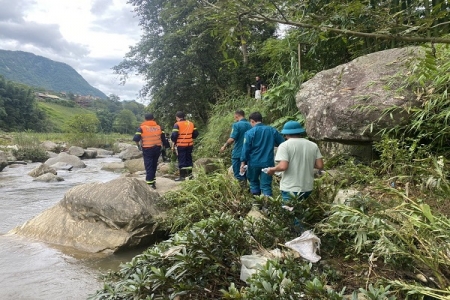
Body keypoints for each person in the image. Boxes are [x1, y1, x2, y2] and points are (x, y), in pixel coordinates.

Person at [266, 121, 323, 229]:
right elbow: (320, 165)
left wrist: (272, 169)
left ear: (286, 134)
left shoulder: (284, 145)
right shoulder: (312, 145)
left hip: (290, 188)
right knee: (300, 213)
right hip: (307, 187)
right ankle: (302, 235)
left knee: (291, 216)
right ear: (300, 132)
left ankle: (298, 238)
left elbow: (283, 166)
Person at [240, 112, 285, 197]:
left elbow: (245, 149)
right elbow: (283, 144)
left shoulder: (249, 133)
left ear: (252, 121)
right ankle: (267, 206)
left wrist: (243, 163)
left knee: (253, 182)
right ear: (262, 120)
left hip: (253, 163)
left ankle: (256, 205)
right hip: (267, 163)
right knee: (266, 185)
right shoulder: (272, 130)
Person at [133, 113, 166, 189]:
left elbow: (136, 139)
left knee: (149, 165)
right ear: (153, 119)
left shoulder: (141, 128)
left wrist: (138, 146)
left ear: (145, 119)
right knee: (154, 164)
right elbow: (163, 139)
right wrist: (164, 147)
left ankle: (150, 183)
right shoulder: (159, 127)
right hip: (157, 148)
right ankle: (153, 181)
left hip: (147, 148)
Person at [220, 110, 252, 182]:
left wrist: (224, 146)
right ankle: (249, 191)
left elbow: (232, 139)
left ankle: (242, 191)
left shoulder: (236, 125)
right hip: (250, 153)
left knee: (239, 175)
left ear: (236, 116)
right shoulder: (250, 124)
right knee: (248, 174)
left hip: (238, 154)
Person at [171, 111, 199, 181]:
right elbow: (196, 134)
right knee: (189, 158)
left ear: (177, 117)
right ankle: (190, 175)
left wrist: (174, 141)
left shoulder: (177, 124)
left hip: (181, 145)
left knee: (182, 160)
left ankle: (182, 176)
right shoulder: (191, 124)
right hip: (189, 144)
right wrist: (189, 137)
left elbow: (174, 135)